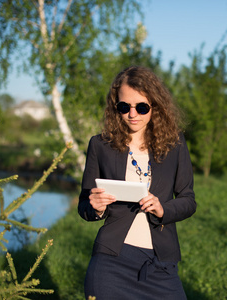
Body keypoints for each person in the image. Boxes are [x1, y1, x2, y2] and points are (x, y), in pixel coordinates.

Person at [78, 66, 196, 299]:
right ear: (116, 107)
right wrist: (96, 207)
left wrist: (164, 209)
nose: (133, 114)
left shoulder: (175, 144)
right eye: (124, 107)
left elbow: (188, 200)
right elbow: (84, 205)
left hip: (161, 263)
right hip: (111, 262)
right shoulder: (100, 145)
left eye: (141, 107)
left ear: (155, 106)